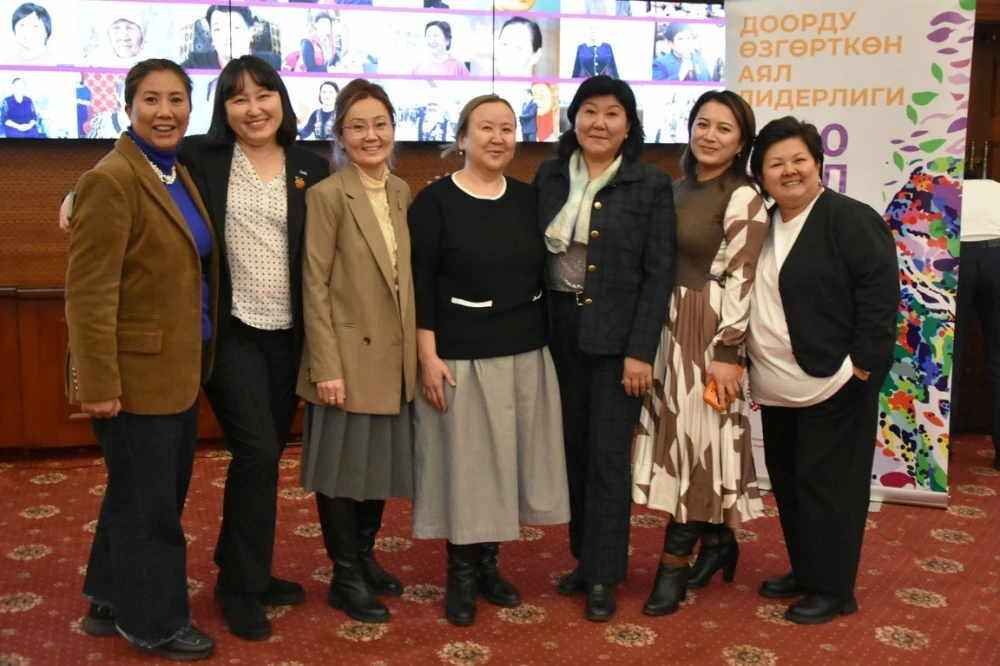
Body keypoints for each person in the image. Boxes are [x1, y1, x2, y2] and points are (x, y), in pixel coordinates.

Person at [66, 58, 218, 662]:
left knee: (136, 494)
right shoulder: (112, 178)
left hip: (176, 371)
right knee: (151, 507)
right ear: (128, 107)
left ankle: (109, 597)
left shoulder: (173, 171)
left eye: (177, 99)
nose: (165, 111)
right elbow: (88, 294)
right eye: (151, 99)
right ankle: (154, 623)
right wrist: (98, 384)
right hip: (133, 379)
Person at [180, 55, 331, 642]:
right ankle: (239, 588)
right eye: (238, 98)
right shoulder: (200, 157)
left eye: (263, 94)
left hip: (290, 336)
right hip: (232, 331)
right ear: (224, 109)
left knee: (264, 458)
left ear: (281, 101)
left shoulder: (310, 166)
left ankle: (248, 568)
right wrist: (76, 194)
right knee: (259, 453)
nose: (253, 108)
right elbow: (136, 171)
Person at [409, 95, 569, 627]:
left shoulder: (529, 199)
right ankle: (460, 572)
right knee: (467, 467)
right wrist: (427, 356)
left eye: (507, 128)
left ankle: (488, 567)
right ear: (462, 138)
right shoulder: (434, 202)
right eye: (485, 128)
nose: (498, 138)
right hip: (460, 357)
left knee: (508, 464)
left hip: (524, 351)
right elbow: (420, 285)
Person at [746, 116, 899, 625]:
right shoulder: (763, 224)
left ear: (818, 164)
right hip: (776, 384)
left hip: (834, 383)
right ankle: (809, 571)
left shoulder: (850, 219)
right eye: (776, 163)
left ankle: (834, 589)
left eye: (799, 160)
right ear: (761, 174)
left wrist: (863, 369)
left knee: (829, 490)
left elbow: (879, 299)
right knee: (791, 485)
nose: (789, 171)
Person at [533, 75, 675, 622]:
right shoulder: (549, 176)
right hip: (556, 333)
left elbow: (658, 275)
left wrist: (641, 352)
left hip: (618, 343)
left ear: (629, 125)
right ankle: (584, 559)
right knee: (571, 452)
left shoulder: (650, 183)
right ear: (573, 119)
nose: (599, 122)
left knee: (608, 457)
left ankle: (604, 574)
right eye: (589, 111)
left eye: (612, 113)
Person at [631, 90, 768, 616]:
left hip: (710, 336)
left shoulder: (744, 196)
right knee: (684, 443)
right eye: (702, 124)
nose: (710, 135)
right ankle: (718, 542)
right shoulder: (676, 187)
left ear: (741, 142)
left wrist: (728, 351)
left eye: (724, 128)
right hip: (668, 327)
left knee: (699, 445)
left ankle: (673, 566)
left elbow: (743, 277)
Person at [298, 78, 415, 625]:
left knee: (378, 468)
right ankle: (344, 576)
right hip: (345, 359)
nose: (371, 136)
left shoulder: (402, 191)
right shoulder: (327, 195)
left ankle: (364, 557)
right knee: (342, 474)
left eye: (380, 124)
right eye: (358, 126)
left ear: (393, 129)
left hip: (392, 358)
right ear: (340, 136)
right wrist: (326, 366)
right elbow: (314, 285)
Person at [953, 169, 1000, 471]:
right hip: (998, 252)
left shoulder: (947, 187)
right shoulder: (995, 187)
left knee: (949, 357)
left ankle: (941, 450)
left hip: (956, 254)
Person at [181, 6, 281, 71]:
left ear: (250, 32)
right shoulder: (195, 63)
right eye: (217, 29)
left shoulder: (272, 62)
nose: (227, 36)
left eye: (236, 28)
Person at [85, 6, 150, 68]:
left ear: (143, 35)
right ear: (107, 35)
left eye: (130, 28)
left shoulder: (152, 65)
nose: (123, 37)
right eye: (116, 28)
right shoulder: (92, 63)